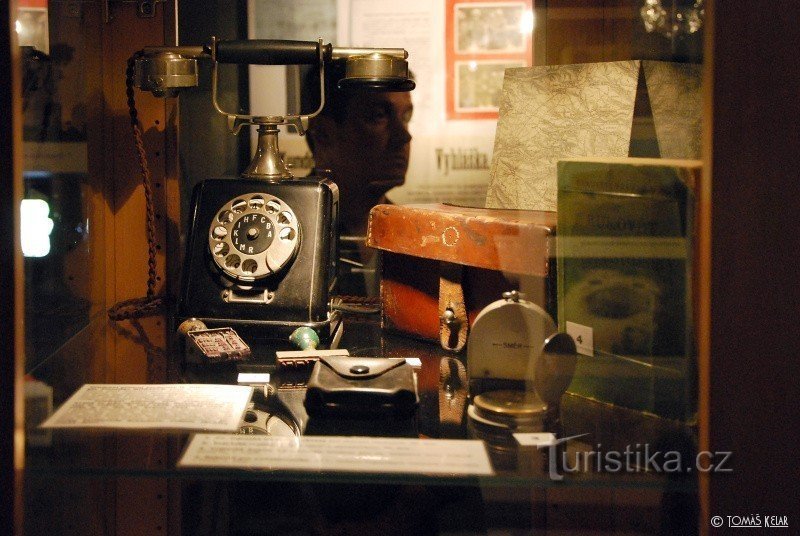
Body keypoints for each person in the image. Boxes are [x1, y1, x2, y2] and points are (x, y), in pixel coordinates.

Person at [301, 61, 414, 295]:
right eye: (378, 116)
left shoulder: (411, 238)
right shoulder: (296, 230)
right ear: (323, 134)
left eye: (405, 117)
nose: (404, 136)